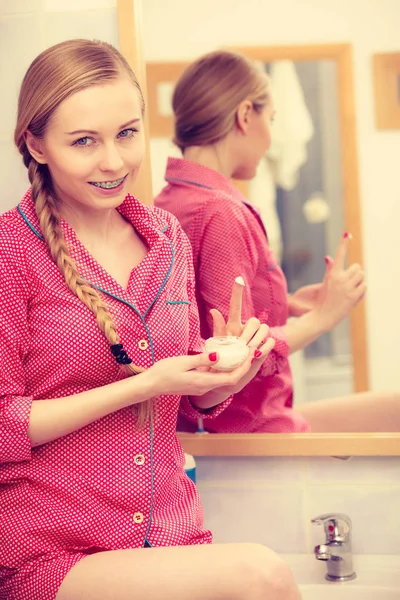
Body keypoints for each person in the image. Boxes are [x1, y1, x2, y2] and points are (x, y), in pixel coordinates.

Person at [0, 40, 301, 600]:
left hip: (172, 534)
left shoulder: (167, 240)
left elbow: (187, 402)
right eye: (84, 141)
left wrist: (224, 373)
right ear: (36, 144)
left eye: (127, 133)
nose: (113, 161)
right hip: (52, 553)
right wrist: (147, 382)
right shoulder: (10, 252)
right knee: (263, 577)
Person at [155, 49, 400, 434]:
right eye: (270, 120)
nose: (270, 139)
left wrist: (289, 304)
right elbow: (235, 353)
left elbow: (203, 310)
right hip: (249, 430)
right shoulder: (221, 211)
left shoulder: (170, 202)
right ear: (245, 115)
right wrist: (323, 318)